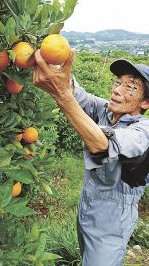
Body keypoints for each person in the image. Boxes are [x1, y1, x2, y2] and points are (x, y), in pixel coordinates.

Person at [33, 50, 149, 266]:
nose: (116, 90)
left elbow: (103, 145)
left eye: (130, 87)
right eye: (117, 82)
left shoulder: (143, 131)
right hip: (86, 211)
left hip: (112, 224)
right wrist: (49, 60)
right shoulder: (104, 111)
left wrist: (63, 97)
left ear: (145, 103)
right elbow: (75, 93)